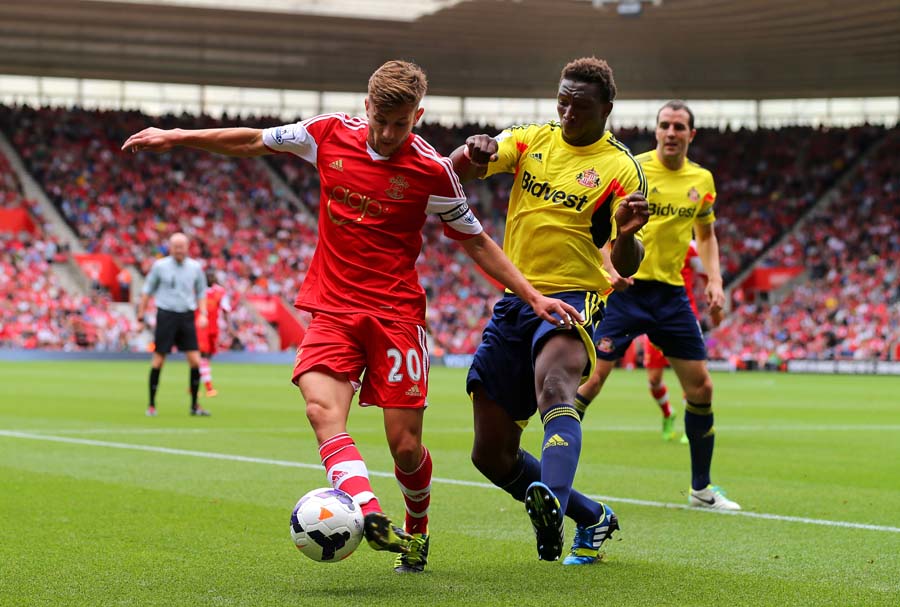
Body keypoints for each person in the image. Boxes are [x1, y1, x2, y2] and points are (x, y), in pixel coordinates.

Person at [122, 60, 581, 573]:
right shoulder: (326, 134)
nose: (388, 134)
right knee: (321, 409)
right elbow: (253, 140)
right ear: (367, 107)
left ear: (418, 116)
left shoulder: (433, 171)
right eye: (381, 120)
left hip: (396, 317)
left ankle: (418, 531)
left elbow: (476, 242)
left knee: (405, 448)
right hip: (334, 308)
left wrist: (533, 295)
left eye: (400, 124)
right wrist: (178, 135)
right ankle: (368, 510)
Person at [450, 57, 650, 564]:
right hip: (517, 297)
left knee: (556, 387)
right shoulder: (532, 138)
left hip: (577, 296)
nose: (566, 113)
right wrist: (476, 150)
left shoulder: (622, 167)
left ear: (606, 108)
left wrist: (625, 235)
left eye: (579, 106)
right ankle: (592, 517)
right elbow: (464, 164)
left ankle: (553, 508)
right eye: (561, 100)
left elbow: (629, 259)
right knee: (490, 455)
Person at [576, 100, 741, 510]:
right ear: (656, 131)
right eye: (665, 125)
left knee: (701, 387)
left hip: (670, 295)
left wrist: (715, 279)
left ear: (690, 134)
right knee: (590, 382)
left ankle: (701, 490)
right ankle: (549, 473)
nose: (671, 132)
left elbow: (705, 235)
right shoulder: (633, 169)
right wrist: (607, 267)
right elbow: (596, 224)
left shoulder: (701, 180)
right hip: (625, 291)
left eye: (679, 126)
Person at [592, 240, 722, 442]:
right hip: (645, 311)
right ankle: (668, 413)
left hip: (679, 315)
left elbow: (707, 274)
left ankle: (692, 426)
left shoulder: (692, 248)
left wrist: (715, 299)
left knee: (695, 379)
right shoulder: (640, 241)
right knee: (654, 379)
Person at [136, 232, 210, 417]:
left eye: (182, 246)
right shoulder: (160, 267)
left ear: (187, 247)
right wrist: (140, 316)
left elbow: (201, 292)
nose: (179, 250)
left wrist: (203, 314)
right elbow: (147, 291)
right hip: (166, 315)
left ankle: (194, 405)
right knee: (159, 360)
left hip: (186, 315)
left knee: (195, 360)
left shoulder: (195, 267)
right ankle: (151, 404)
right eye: (175, 246)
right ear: (170, 247)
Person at [195, 270, 230, 398]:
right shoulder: (198, 290)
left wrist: (229, 327)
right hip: (200, 328)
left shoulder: (220, 291)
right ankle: (208, 387)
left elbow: (226, 310)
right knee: (202, 356)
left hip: (213, 329)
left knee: (205, 358)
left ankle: (194, 385)